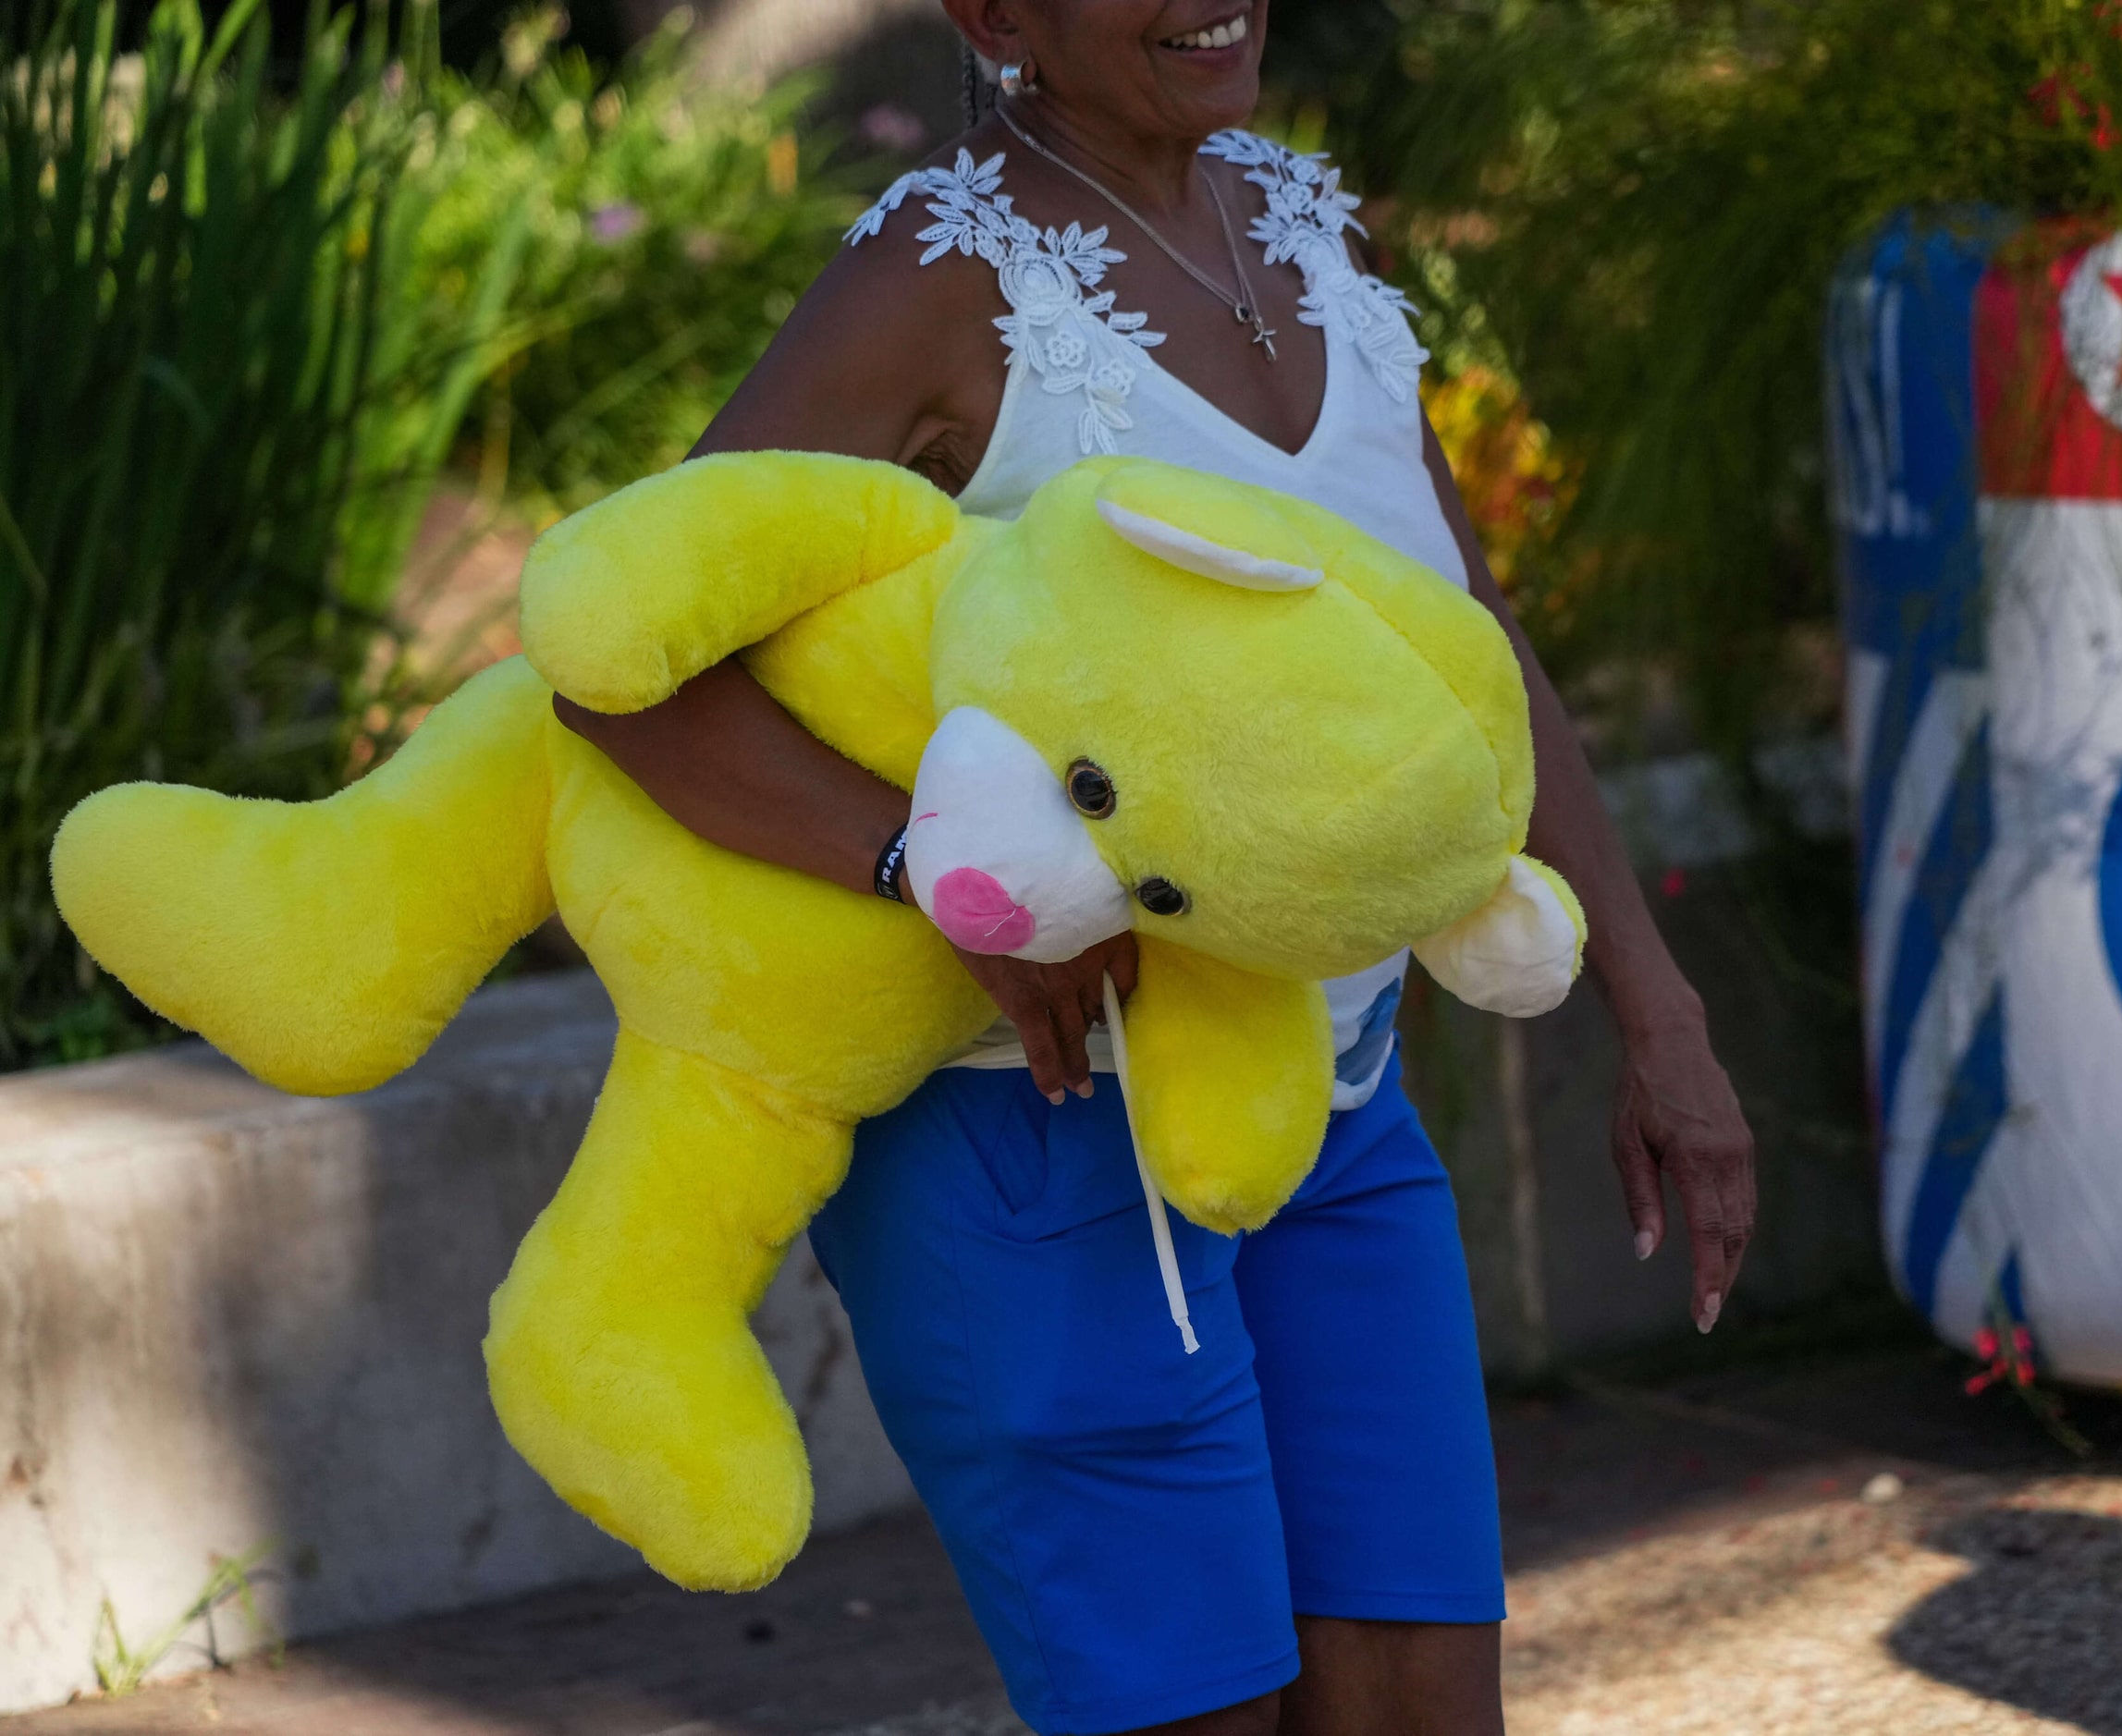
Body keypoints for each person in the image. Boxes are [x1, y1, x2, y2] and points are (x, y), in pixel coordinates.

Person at [553, 1, 1757, 1728]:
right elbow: (617, 664)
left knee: (1426, 1702)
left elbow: (1467, 644)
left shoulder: (1309, 221)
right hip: (1024, 1137)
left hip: (1336, 1120)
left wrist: (1657, 1002)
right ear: (993, 16)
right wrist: (926, 874)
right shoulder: (931, 271)